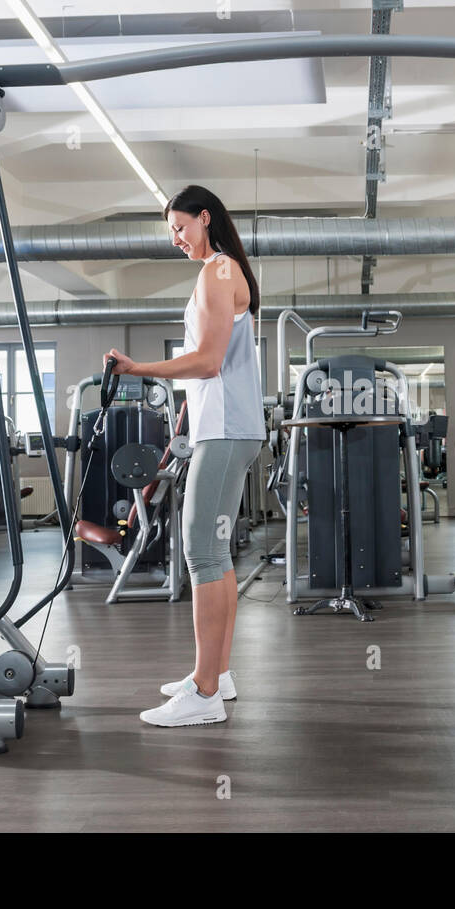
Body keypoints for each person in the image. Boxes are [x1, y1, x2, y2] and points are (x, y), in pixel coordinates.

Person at [103, 184, 266, 727]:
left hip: (226, 431)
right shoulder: (220, 272)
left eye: (179, 227)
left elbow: (209, 361)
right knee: (213, 554)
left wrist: (137, 369)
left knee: (202, 552)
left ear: (204, 217)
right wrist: (184, 418)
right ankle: (217, 673)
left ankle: (203, 692)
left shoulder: (217, 272)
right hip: (221, 428)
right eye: (170, 231)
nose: (176, 239)